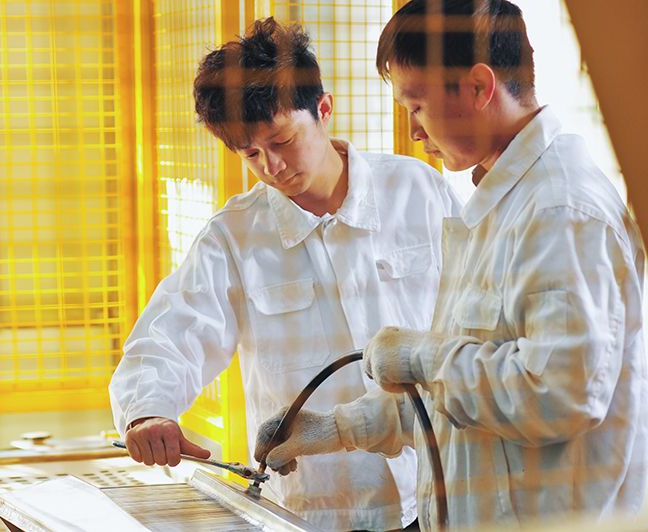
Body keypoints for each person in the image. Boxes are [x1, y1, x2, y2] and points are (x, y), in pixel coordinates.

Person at [255, 1, 648, 530]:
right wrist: (335, 428)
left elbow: (559, 395)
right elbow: (465, 399)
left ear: (480, 87)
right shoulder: (501, 207)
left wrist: (424, 356)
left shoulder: (560, 210)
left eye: (416, 107)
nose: (414, 131)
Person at [109, 17, 461, 531]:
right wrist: (148, 410)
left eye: (282, 140)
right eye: (251, 154)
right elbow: (170, 334)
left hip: (437, 492)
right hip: (315, 509)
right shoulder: (234, 236)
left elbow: (476, 315)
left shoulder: (418, 191)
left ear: (324, 109)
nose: (271, 166)